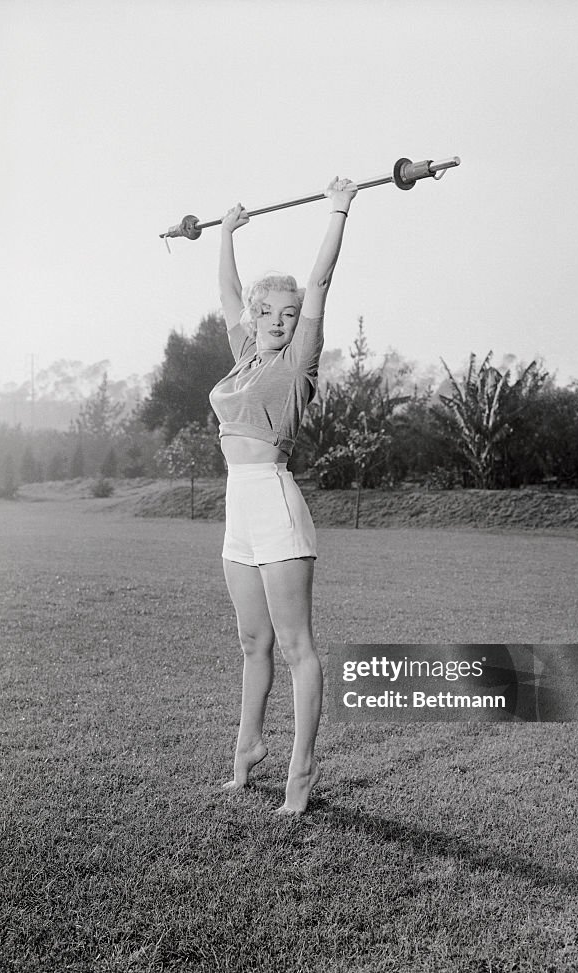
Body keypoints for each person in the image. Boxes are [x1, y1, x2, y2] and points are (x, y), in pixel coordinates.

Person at [209, 176, 358, 814]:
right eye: (266, 311)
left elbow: (320, 282)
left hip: (273, 500)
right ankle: (247, 750)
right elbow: (226, 295)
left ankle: (301, 771)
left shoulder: (296, 363)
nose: (274, 321)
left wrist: (338, 210)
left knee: (298, 647)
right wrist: (224, 233)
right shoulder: (244, 354)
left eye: (286, 314)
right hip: (236, 507)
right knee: (252, 642)